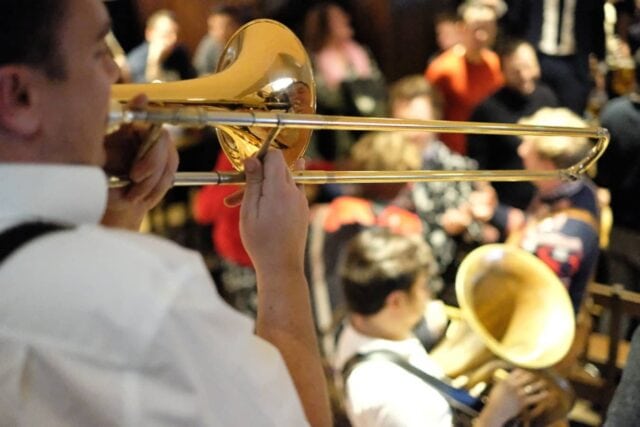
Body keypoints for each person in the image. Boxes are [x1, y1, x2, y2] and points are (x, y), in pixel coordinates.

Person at [0, 0, 331, 425]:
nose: (119, 79)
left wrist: (117, 220)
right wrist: (282, 270)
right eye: (99, 52)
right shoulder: (150, 306)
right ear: (19, 96)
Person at [333, 227, 550, 427]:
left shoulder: (358, 325)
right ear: (396, 302)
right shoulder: (395, 396)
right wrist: (495, 414)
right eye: (423, 288)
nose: (428, 295)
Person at [469, 107, 600, 313]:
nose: (521, 151)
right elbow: (537, 223)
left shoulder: (566, 236)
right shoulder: (574, 190)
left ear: (548, 165)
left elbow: (533, 298)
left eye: (528, 146)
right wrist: (496, 213)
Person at [388, 75, 496, 304]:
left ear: (436, 118)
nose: (409, 132)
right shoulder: (379, 165)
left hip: (442, 286)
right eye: (401, 122)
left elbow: (478, 233)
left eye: (417, 122)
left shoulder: (458, 167)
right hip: (392, 279)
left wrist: (466, 221)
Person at [468, 38, 558, 210]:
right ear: (503, 71)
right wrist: (491, 205)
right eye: (516, 71)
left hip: (547, 199)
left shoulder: (548, 97)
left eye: (528, 67)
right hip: (505, 205)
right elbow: (476, 167)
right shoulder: (486, 110)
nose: (524, 75)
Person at [425, 1, 504, 155]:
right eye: (476, 29)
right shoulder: (442, 68)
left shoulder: (495, 62)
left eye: (488, 28)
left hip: (489, 149)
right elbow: (429, 115)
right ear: (462, 28)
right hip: (453, 153)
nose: (482, 35)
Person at [502, 0, 605, 115]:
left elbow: (597, 28)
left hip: (574, 64)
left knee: (573, 117)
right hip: (537, 59)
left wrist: (600, 67)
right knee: (533, 113)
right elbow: (514, 20)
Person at [126, 9, 196, 83]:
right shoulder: (135, 62)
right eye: (166, 34)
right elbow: (146, 90)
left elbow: (192, 81)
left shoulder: (180, 53)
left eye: (176, 34)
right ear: (149, 34)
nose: (174, 39)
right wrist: (154, 62)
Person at [193, 5, 248, 76]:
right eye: (212, 27)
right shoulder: (209, 43)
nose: (214, 32)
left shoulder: (247, 42)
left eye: (221, 26)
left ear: (237, 26)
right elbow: (200, 70)